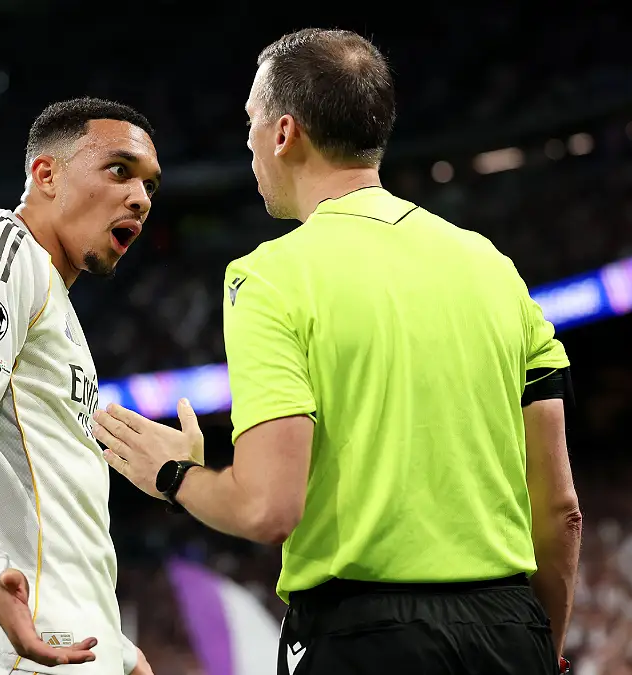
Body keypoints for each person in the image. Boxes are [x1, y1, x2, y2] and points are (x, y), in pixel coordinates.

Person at [92, 28, 583, 675]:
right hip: (508, 628)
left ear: (284, 133)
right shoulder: (492, 267)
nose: (246, 141)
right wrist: (538, 646)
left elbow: (269, 508)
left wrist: (174, 473)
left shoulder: (270, 277)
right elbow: (561, 510)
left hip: (365, 640)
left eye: (250, 120)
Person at [0, 97, 159, 675]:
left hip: (66, 644)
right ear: (46, 174)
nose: (140, 199)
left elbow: (50, 505)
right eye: (119, 170)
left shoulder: (53, 300)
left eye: (149, 186)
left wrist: (113, 641)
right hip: (13, 652)